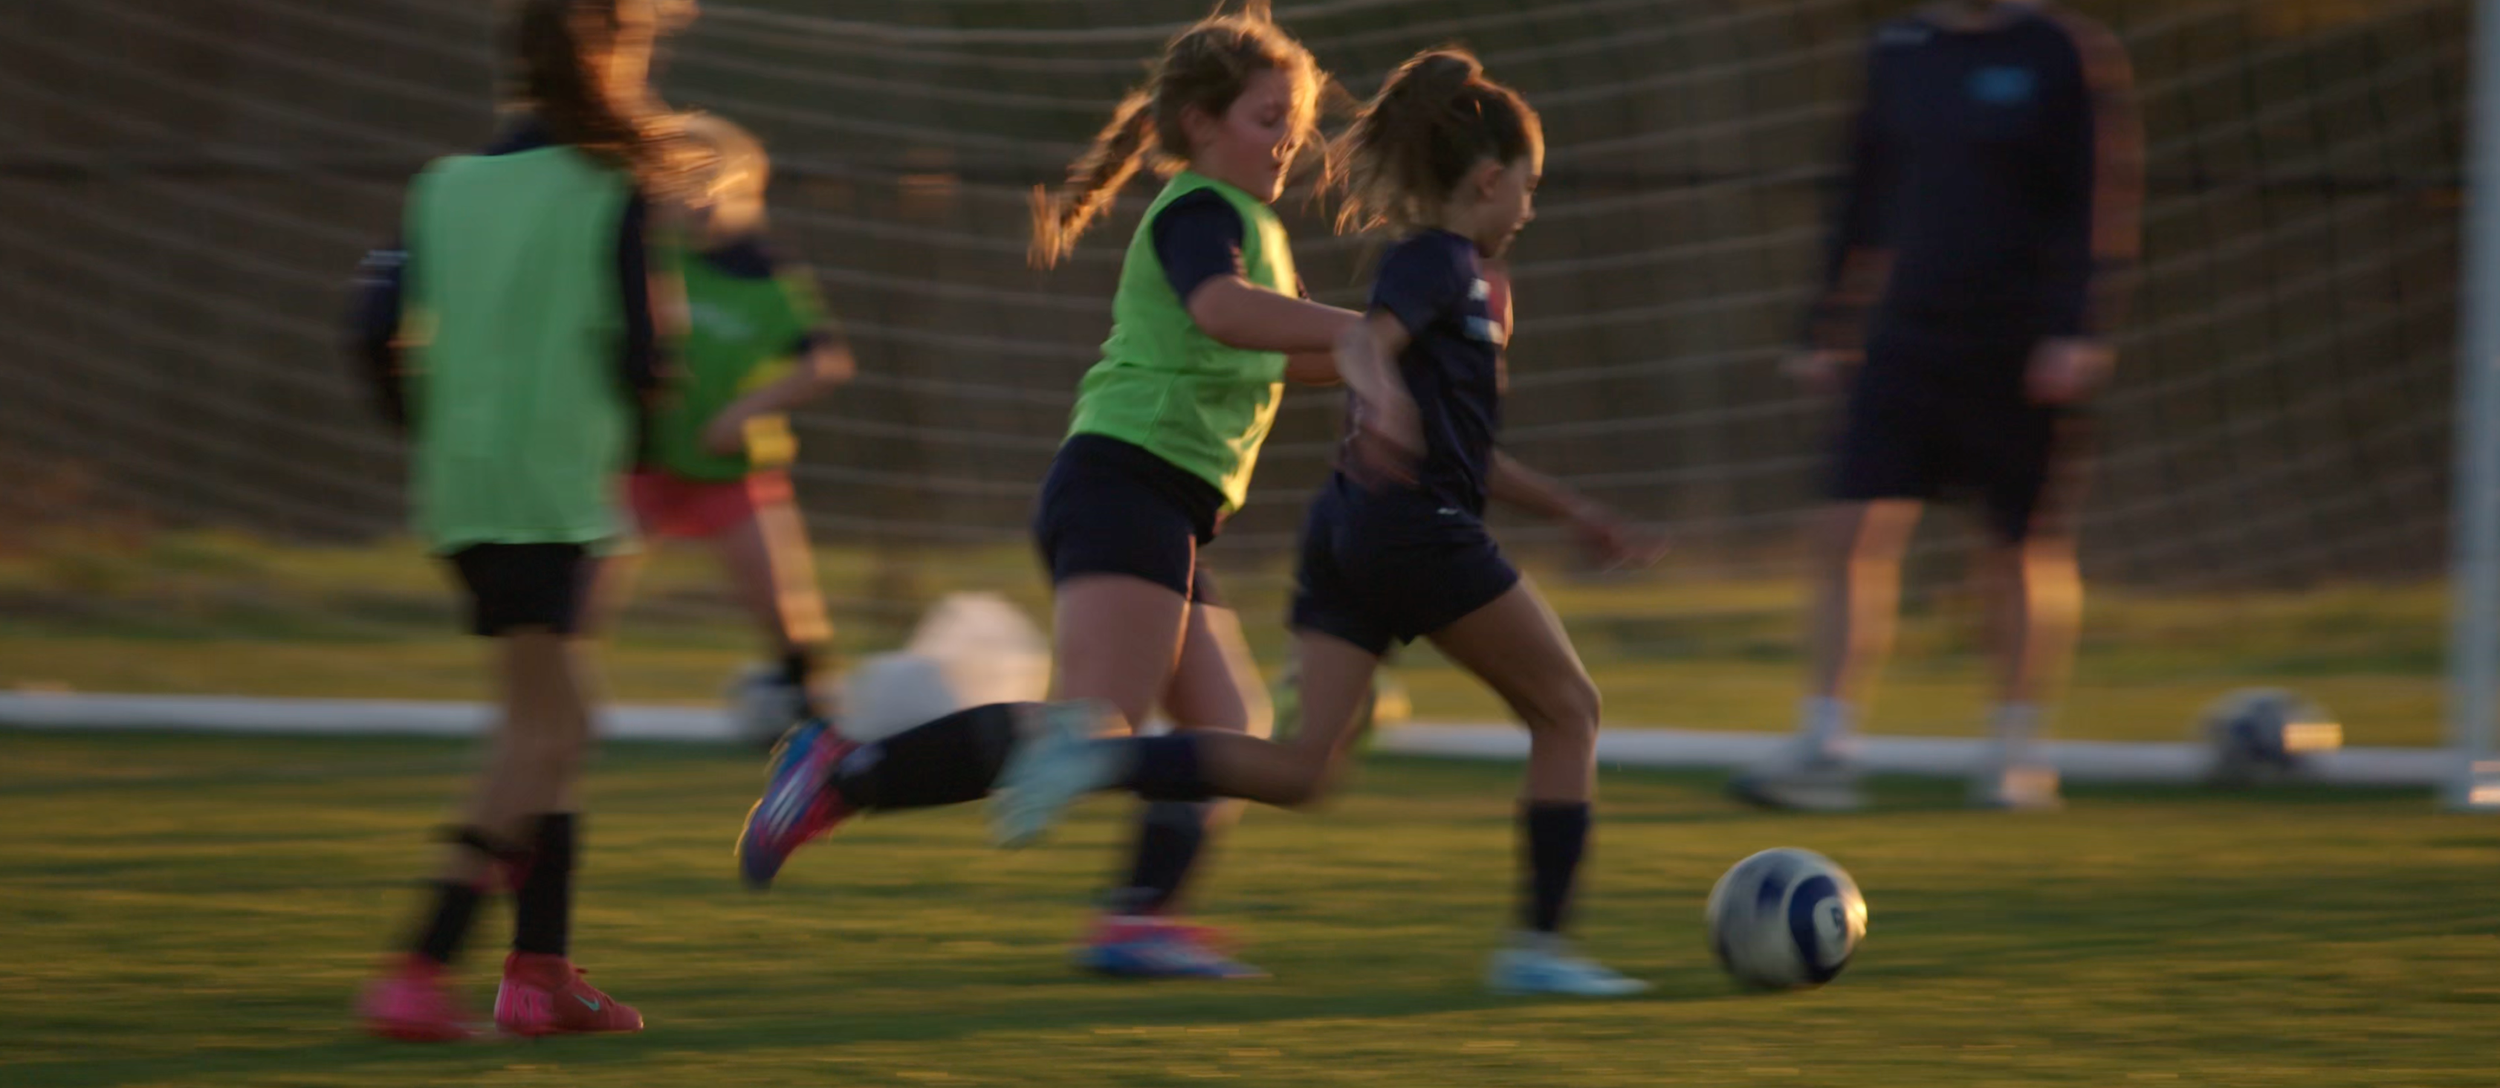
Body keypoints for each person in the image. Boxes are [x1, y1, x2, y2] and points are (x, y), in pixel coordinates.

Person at [986, 48, 1667, 997]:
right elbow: (1368, 344)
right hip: (1415, 531)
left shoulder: (1458, 282)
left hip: (1348, 533)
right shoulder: (1439, 263)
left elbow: (1455, 438)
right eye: (1527, 185)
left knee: (1301, 769)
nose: (1530, 206)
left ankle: (1094, 766)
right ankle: (1540, 950)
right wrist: (1382, 391)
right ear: (1485, 178)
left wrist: (1574, 510)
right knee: (1570, 711)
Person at [736, 1, 1360, 980]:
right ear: (1201, 124)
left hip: (1166, 501)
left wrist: (1397, 351)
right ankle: (845, 763)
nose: (1290, 140)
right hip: (1128, 482)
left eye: (1296, 119)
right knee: (1090, 729)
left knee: (1225, 727)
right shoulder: (1203, 209)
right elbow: (1223, 312)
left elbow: (1277, 355)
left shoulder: (1254, 228)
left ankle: (1137, 918)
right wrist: (1369, 329)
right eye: (1267, 116)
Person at [348, 0, 698, 1040]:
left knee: (548, 726)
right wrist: (641, 430)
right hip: (558, 496)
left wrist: (437, 425)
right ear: (610, 56)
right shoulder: (612, 184)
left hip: (464, 493)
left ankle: (539, 969)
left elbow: (368, 329)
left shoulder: (442, 185)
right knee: (548, 731)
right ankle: (419, 963)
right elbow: (645, 361)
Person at [1731, 0, 2142, 812]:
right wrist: (1825, 320)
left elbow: (2095, 200)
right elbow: (1861, 191)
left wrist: (2077, 328)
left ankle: (2015, 752)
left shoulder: (2063, 52)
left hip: (2021, 346)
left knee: (2017, 547)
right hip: (1905, 339)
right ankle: (1828, 745)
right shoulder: (1900, 50)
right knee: (1848, 526)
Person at [595, 111, 855, 745]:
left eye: (715, 183)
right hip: (642, 463)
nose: (699, 197)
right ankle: (557, 708)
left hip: (732, 471)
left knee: (788, 619)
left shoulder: (765, 272)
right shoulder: (644, 256)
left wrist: (744, 411)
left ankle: (816, 731)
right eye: (684, 182)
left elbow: (825, 363)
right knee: (578, 606)